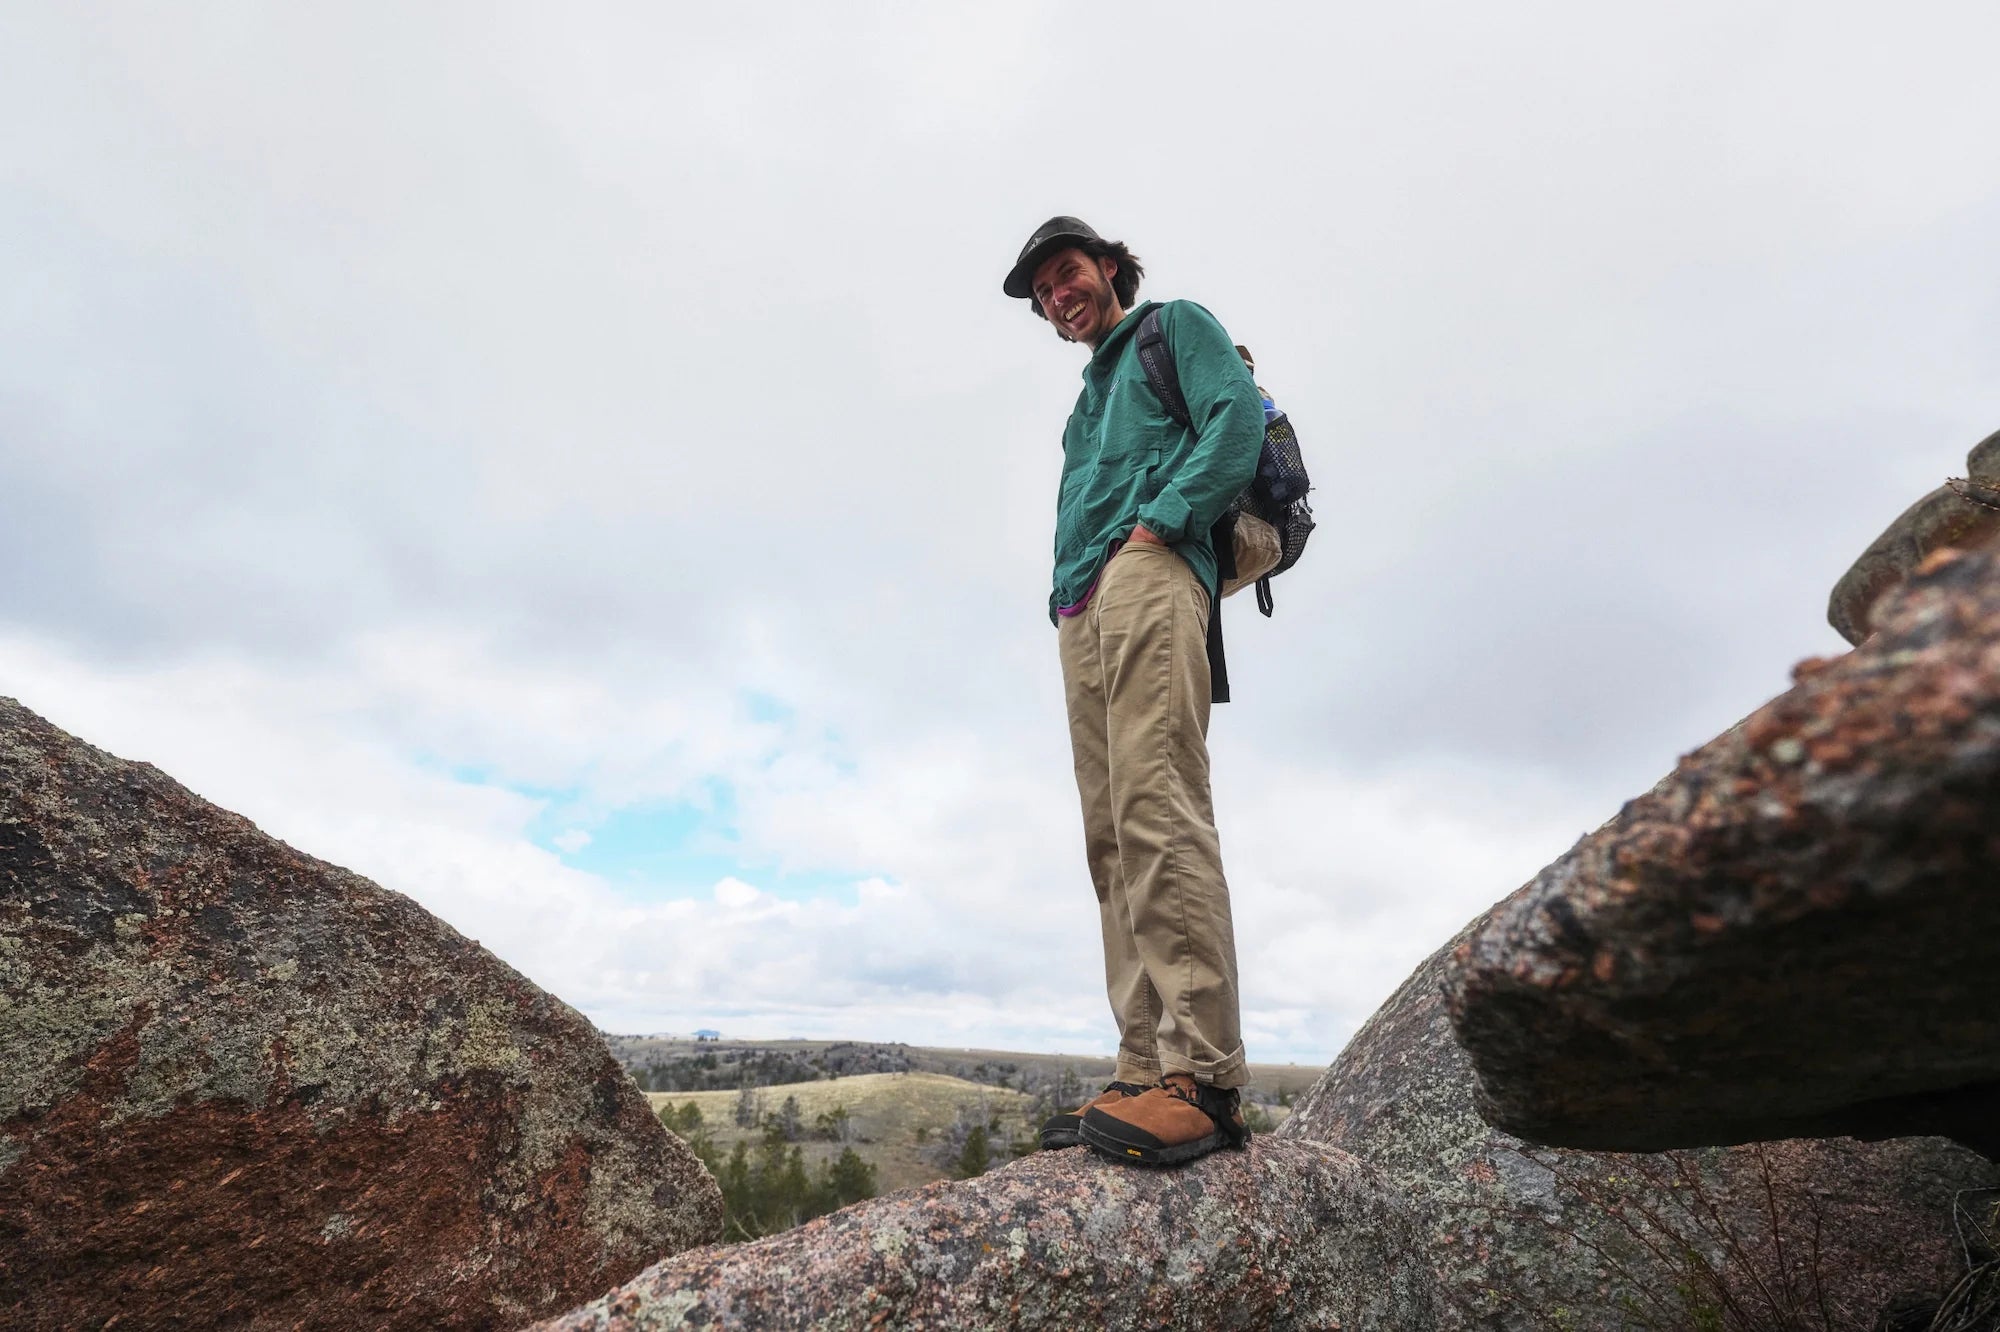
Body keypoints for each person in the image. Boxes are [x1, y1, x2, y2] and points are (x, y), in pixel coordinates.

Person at [1003, 216, 1263, 1166]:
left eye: (1067, 274)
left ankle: (1206, 1078)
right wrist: (1067, 597)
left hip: (1150, 570)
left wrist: (1161, 524)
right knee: (1111, 833)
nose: (1057, 296)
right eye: (1043, 294)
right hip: (1082, 606)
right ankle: (1144, 1064)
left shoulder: (1173, 326)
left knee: (1158, 802)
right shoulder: (1085, 401)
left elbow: (1235, 420)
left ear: (1108, 268)